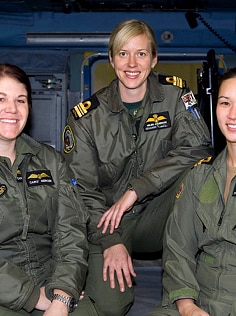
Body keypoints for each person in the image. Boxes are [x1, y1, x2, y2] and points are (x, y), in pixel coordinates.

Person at [63, 19, 213, 316]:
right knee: (109, 305)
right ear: (111, 59)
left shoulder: (175, 96)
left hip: (164, 214)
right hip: (108, 221)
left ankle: (194, 288)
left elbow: (199, 147)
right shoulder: (86, 118)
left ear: (154, 59)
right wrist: (111, 240)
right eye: (123, 54)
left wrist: (138, 188)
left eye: (141, 54)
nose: (132, 63)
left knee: (201, 172)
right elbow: (83, 191)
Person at [0, 63, 101, 316]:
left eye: (20, 100)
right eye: (1, 99)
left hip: (53, 280)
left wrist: (62, 295)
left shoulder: (50, 161)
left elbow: (71, 232)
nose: (11, 109)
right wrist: (34, 297)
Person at [148, 67, 236, 316]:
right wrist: (187, 306)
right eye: (225, 103)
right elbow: (179, 247)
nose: (233, 114)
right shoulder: (200, 176)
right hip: (200, 297)